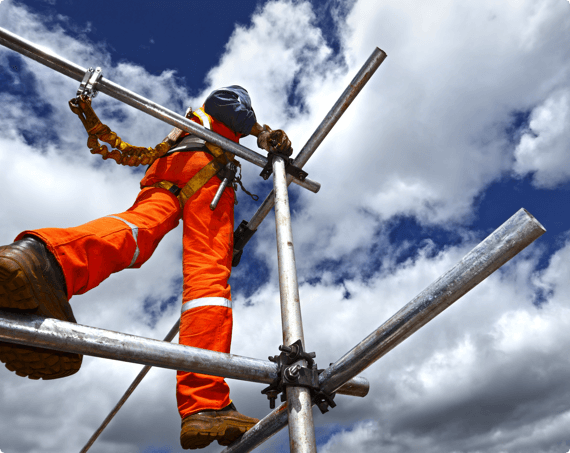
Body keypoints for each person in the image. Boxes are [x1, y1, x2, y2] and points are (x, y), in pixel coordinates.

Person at [0, 85, 291, 449]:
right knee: (207, 279)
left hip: (169, 173)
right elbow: (227, 104)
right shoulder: (224, 105)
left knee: (138, 233)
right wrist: (262, 133)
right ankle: (204, 402)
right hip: (207, 172)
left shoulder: (186, 126)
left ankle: (45, 259)